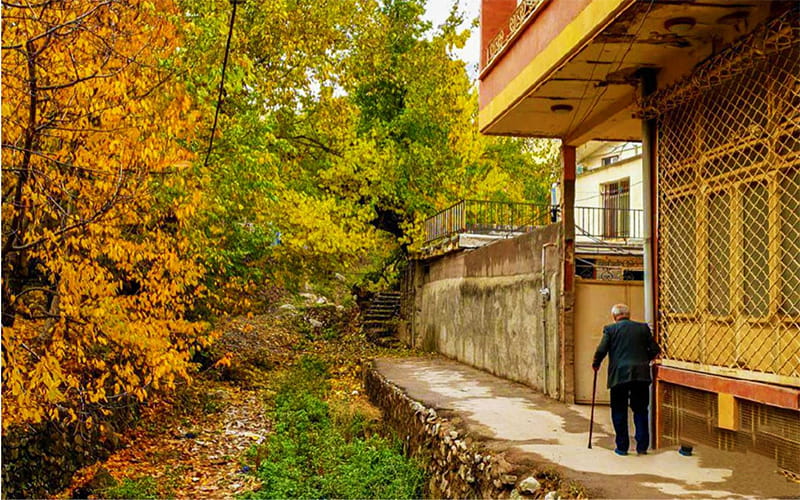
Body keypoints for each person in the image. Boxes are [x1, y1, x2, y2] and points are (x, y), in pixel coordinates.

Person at [592, 303, 660, 456]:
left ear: (614, 316)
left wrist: (596, 364)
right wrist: (644, 360)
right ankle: (642, 447)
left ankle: (622, 447)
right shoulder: (643, 328)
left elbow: (602, 349)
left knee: (619, 410)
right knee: (641, 410)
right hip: (640, 376)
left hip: (619, 376)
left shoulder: (610, 329)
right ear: (628, 315)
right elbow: (655, 350)